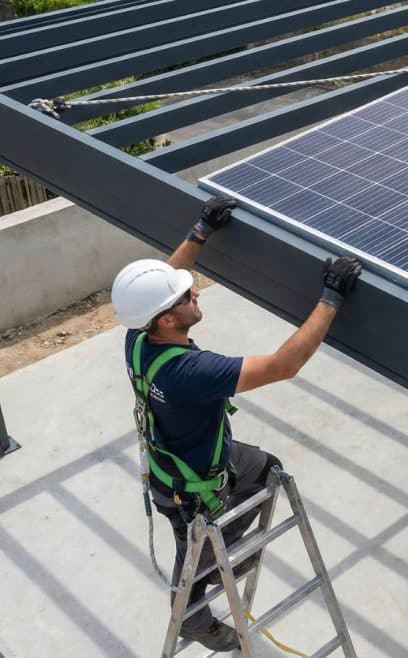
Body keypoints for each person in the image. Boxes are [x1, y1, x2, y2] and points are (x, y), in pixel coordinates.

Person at [111, 196, 362, 651]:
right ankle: (192, 616)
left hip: (172, 468)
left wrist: (200, 231)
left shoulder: (138, 336)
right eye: (188, 295)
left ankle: (223, 555)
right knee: (194, 560)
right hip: (192, 489)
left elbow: (163, 280)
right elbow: (285, 365)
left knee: (266, 468)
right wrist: (330, 297)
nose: (197, 293)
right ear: (168, 318)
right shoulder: (191, 373)